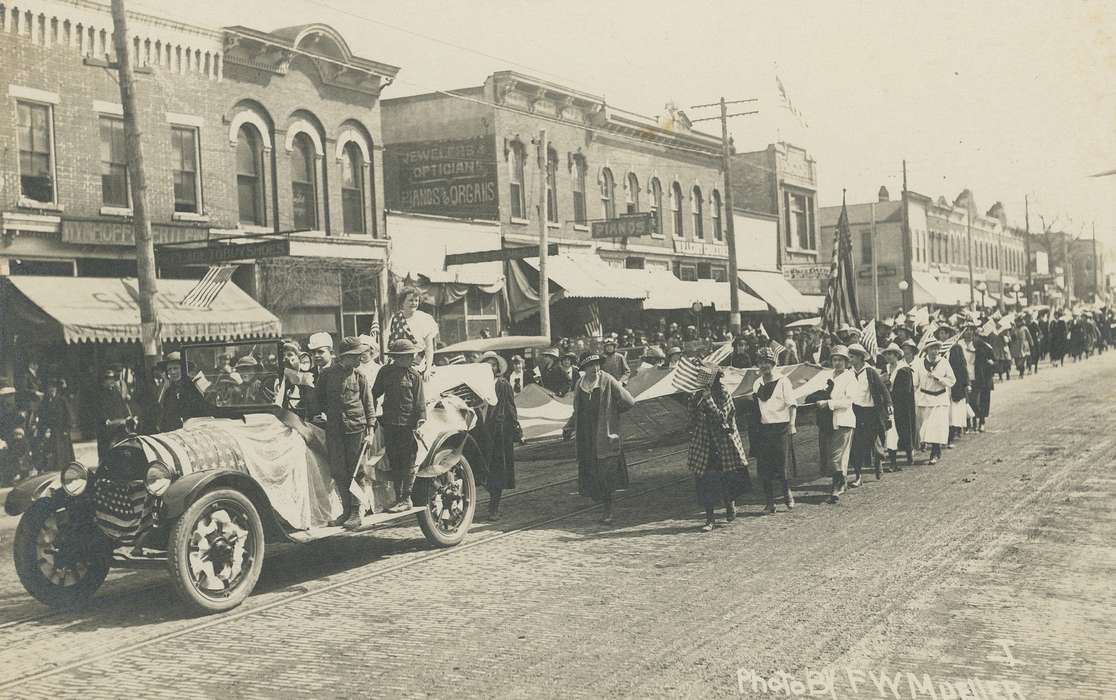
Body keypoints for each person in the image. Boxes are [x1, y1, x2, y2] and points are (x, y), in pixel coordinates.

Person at [562, 354, 636, 525]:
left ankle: (608, 510)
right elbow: (577, 411)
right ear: (584, 369)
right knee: (592, 472)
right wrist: (569, 427)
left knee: (605, 475)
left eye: (597, 365)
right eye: (590, 366)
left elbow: (629, 401)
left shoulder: (607, 380)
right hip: (586, 436)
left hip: (604, 435)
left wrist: (612, 415)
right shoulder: (580, 384)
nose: (595, 369)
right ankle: (602, 503)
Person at [315, 337, 376, 528]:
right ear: (345, 356)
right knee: (339, 472)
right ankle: (346, 511)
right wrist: (328, 415)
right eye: (357, 355)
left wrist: (370, 430)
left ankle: (357, 511)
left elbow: (368, 404)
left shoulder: (360, 376)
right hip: (335, 430)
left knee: (356, 471)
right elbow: (319, 399)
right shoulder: (326, 375)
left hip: (356, 429)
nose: (360, 358)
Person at [687, 365, 750, 531]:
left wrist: (709, 401)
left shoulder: (723, 393)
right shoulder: (697, 394)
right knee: (705, 481)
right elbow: (692, 419)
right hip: (704, 443)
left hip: (722, 443)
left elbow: (723, 418)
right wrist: (693, 404)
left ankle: (730, 503)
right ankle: (710, 519)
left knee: (726, 477)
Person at [373, 339, 428, 514]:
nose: (411, 358)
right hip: (389, 423)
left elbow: (420, 402)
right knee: (394, 460)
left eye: (411, 355)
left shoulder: (414, 375)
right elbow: (374, 393)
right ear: (396, 357)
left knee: (408, 461)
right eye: (406, 356)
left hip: (407, 425)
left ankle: (406, 498)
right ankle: (398, 497)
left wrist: (420, 421)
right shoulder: (385, 372)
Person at [748, 347, 797, 515]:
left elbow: (792, 405)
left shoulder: (783, 381)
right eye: (761, 363)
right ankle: (769, 501)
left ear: (773, 364)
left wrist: (792, 424)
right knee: (764, 467)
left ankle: (786, 493)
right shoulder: (757, 383)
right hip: (764, 429)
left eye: (767, 363)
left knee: (781, 464)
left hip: (781, 427)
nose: (764, 366)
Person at [479, 351, 520, 521]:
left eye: (493, 364)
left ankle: (493, 506)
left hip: (499, 433)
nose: (490, 367)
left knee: (497, 470)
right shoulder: (478, 384)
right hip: (481, 432)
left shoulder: (503, 384)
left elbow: (511, 408)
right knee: (482, 469)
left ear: (498, 367)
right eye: (487, 364)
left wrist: (514, 428)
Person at [814, 345, 855, 503]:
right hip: (828, 421)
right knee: (831, 455)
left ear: (846, 362)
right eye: (834, 360)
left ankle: (836, 488)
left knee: (835, 456)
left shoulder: (850, 377)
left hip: (843, 420)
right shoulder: (828, 376)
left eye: (840, 360)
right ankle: (840, 482)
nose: (837, 363)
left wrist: (828, 403)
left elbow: (848, 401)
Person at [846, 343, 892, 486]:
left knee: (874, 440)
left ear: (860, 357)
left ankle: (878, 461)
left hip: (872, 412)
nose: (850, 359)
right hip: (856, 412)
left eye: (852, 356)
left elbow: (882, 389)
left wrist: (889, 404)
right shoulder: (849, 373)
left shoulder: (870, 372)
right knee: (857, 444)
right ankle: (858, 476)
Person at [913, 340, 956, 465]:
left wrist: (940, 379)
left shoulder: (944, 363)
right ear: (926, 350)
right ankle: (932, 449)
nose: (935, 351)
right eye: (932, 349)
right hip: (925, 399)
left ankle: (935, 451)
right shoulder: (920, 364)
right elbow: (915, 383)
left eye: (937, 348)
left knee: (936, 426)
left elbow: (952, 380)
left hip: (940, 399)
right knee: (926, 427)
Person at [386, 286, 439, 380]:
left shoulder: (425, 319)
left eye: (416, 300)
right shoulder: (396, 318)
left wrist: (428, 368)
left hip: (420, 363)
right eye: (410, 300)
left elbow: (429, 347)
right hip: (400, 363)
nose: (414, 303)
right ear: (402, 302)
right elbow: (391, 344)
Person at [883, 342, 916, 469]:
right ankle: (892, 461)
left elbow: (906, 390)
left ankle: (909, 454)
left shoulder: (904, 369)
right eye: (886, 354)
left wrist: (888, 384)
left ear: (897, 355)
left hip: (902, 405)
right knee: (891, 432)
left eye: (890, 354)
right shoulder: (885, 369)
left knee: (904, 430)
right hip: (889, 404)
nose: (888, 357)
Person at [97, 367, 135, 463]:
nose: (112, 382)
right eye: (109, 379)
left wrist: (127, 416)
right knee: (106, 448)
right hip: (106, 426)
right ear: (104, 381)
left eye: (112, 379)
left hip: (119, 424)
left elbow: (122, 405)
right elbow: (98, 409)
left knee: (119, 445)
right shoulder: (100, 393)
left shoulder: (115, 391)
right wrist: (105, 420)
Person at [36, 377, 75, 470]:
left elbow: (68, 415)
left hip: (61, 430)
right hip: (50, 430)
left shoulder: (62, 400)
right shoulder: (44, 402)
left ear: (56, 389)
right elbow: (42, 417)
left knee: (63, 451)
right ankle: (53, 467)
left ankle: (65, 468)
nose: (51, 389)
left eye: (53, 388)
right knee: (52, 450)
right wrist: (44, 429)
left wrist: (67, 429)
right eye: (49, 388)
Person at [948, 326, 973, 444]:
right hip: (942, 384)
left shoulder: (956, 348)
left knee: (954, 411)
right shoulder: (937, 349)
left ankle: (952, 434)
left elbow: (962, 367)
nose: (944, 337)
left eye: (946, 334)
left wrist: (966, 383)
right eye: (941, 334)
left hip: (955, 384)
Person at [970, 326, 996, 432]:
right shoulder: (971, 348)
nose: (978, 338)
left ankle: (981, 421)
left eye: (980, 336)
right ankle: (974, 421)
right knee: (973, 400)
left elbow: (994, 362)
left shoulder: (988, 348)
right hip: (975, 377)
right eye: (976, 335)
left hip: (985, 377)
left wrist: (991, 364)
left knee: (984, 400)